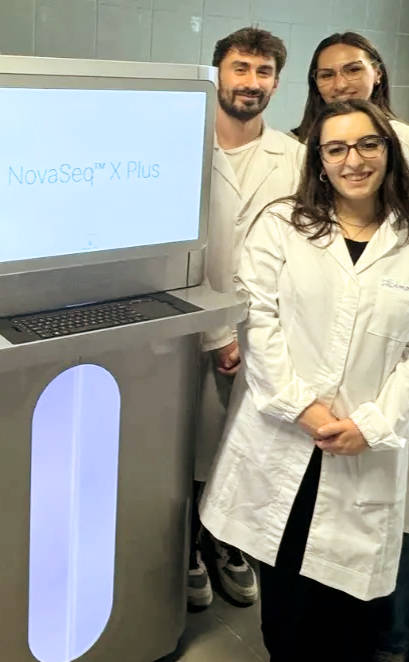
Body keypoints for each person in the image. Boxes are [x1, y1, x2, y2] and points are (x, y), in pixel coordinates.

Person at [201, 98, 409, 660]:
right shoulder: (282, 225)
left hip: (369, 446)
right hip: (288, 436)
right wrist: (306, 410)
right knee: (289, 613)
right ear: (318, 160)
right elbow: (257, 321)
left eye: (368, 144)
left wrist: (373, 423)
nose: (354, 160)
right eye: (336, 148)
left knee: (354, 621)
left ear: (389, 150)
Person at [191, 26, 304, 610]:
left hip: (259, 332)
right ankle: (186, 547)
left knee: (242, 447)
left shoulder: (296, 158)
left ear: (277, 83)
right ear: (218, 74)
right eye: (240, 69)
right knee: (179, 444)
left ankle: (228, 545)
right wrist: (212, 333)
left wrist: (244, 335)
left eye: (263, 73)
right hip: (181, 327)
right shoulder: (179, 143)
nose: (251, 83)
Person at [293, 32, 409, 148]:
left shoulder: (402, 139)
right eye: (327, 75)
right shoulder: (294, 145)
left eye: (353, 70)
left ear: (377, 74)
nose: (340, 85)